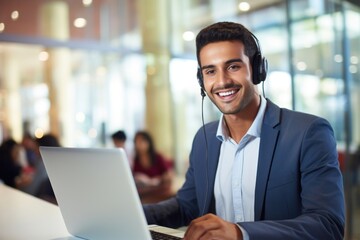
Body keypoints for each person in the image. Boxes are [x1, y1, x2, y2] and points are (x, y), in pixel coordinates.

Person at [143, 22, 345, 239]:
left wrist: (241, 233)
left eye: (233, 67)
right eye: (210, 71)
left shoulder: (308, 133)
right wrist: (132, 212)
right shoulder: (204, 139)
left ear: (258, 70)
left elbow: (328, 225)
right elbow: (187, 206)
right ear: (201, 80)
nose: (222, 81)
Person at [133, 130, 174, 203]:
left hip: (160, 193)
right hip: (145, 194)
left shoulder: (158, 157)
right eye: (136, 142)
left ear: (148, 142)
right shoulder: (136, 159)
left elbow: (169, 175)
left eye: (141, 141)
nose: (138, 144)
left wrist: (155, 180)